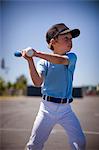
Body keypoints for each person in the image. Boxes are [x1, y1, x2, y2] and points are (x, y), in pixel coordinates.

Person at [23, 23, 86, 150]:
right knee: (34, 144)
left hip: (66, 110)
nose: (70, 41)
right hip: (46, 109)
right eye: (66, 38)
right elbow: (37, 82)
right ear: (53, 42)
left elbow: (60, 60)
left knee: (79, 142)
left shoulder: (71, 57)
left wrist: (36, 54)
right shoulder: (43, 62)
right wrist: (30, 60)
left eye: (71, 39)